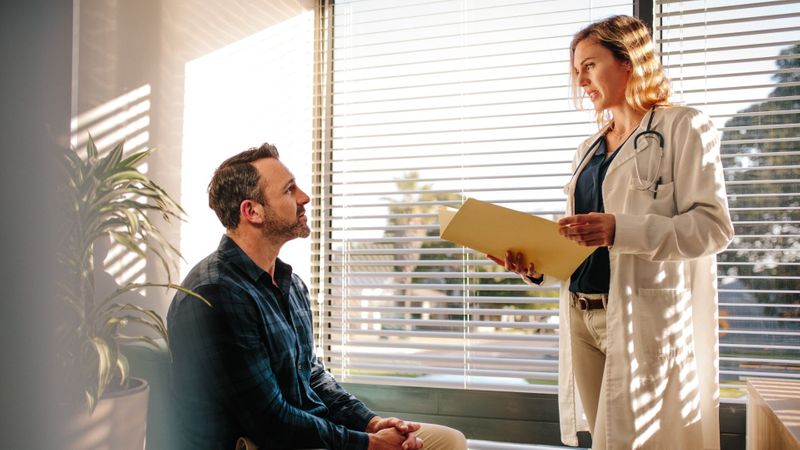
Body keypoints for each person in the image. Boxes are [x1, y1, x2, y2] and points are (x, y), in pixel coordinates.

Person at [491, 15, 733, 449]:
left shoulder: (684, 126)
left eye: (589, 65)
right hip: (581, 313)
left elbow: (713, 228)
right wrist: (535, 265)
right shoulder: (588, 150)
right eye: (576, 70)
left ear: (629, 61)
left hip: (640, 316)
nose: (580, 80)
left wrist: (620, 229)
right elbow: (579, 240)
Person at [168, 144, 467, 450]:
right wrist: (368, 443)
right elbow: (269, 422)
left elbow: (310, 374)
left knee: (448, 441)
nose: (304, 198)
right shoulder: (215, 294)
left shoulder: (291, 285)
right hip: (260, 443)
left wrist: (371, 423)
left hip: (308, 433)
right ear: (252, 211)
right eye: (289, 190)